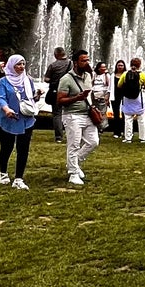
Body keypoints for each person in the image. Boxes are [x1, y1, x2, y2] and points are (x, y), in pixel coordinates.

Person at [55, 49, 99, 187]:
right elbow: (60, 100)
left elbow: (90, 94)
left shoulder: (87, 76)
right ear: (75, 63)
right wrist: (77, 98)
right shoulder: (66, 79)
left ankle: (74, 162)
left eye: (87, 60)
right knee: (73, 144)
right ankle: (73, 173)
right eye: (83, 60)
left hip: (87, 114)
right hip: (72, 115)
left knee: (93, 142)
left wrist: (93, 106)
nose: (86, 63)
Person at [0, 54, 38, 189]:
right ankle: (3, 172)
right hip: (8, 119)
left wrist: (37, 96)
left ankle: (19, 178)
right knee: (7, 148)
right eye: (18, 64)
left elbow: (31, 97)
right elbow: (1, 98)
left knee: (23, 149)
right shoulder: (3, 81)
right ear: (11, 65)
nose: (21, 67)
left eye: (23, 64)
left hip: (26, 119)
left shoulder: (28, 80)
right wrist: (6, 109)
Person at [119, 57, 145, 142]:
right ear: (139, 65)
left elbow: (119, 85)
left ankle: (128, 138)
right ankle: (143, 138)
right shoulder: (142, 74)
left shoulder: (125, 74)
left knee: (128, 118)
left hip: (127, 98)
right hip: (138, 98)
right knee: (141, 118)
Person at [44, 48, 69, 143]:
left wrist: (54, 80)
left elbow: (46, 79)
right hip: (69, 92)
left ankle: (59, 136)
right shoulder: (71, 64)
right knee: (70, 113)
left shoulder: (53, 65)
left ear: (56, 55)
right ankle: (72, 134)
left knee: (57, 114)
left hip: (56, 91)